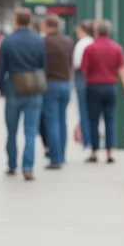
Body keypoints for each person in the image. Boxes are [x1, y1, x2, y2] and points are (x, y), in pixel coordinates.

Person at [0, 8, 46, 180]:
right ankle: (28, 168)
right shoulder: (39, 40)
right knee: (31, 131)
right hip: (33, 89)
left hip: (13, 88)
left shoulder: (8, 41)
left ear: (16, 21)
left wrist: (1, 89)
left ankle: (11, 165)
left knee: (11, 131)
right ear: (30, 21)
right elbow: (42, 65)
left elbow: (1, 68)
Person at [80, 19, 124, 163]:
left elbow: (84, 69)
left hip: (93, 86)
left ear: (96, 32)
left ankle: (95, 152)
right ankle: (109, 152)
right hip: (110, 86)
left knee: (93, 120)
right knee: (110, 120)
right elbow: (122, 70)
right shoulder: (117, 48)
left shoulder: (90, 48)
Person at [40, 14, 74, 168]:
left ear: (47, 26)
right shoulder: (68, 41)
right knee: (62, 121)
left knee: (52, 122)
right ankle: (62, 155)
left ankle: (55, 159)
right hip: (65, 85)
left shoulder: (44, 42)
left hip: (50, 85)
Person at [71, 20, 95, 150]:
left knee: (83, 109)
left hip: (82, 76)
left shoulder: (81, 44)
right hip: (93, 78)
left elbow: (76, 63)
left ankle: (86, 139)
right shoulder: (93, 42)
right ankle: (91, 136)